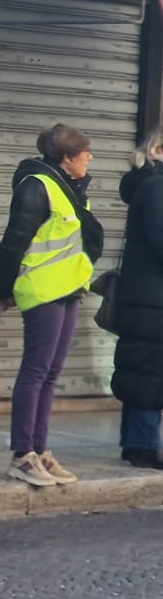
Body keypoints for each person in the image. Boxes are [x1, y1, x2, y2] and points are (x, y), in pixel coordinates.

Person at [0, 123, 103, 488]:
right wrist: (3, 288)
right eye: (84, 152)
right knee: (36, 371)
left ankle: (39, 450)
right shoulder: (37, 187)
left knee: (52, 373)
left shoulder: (69, 188)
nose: (90, 157)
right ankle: (22, 454)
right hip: (42, 291)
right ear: (67, 157)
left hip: (69, 289)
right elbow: (13, 241)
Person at [108, 127, 163, 469]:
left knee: (144, 367)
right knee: (147, 368)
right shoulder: (157, 187)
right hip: (151, 296)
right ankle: (142, 444)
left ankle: (136, 442)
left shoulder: (150, 184)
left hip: (148, 295)